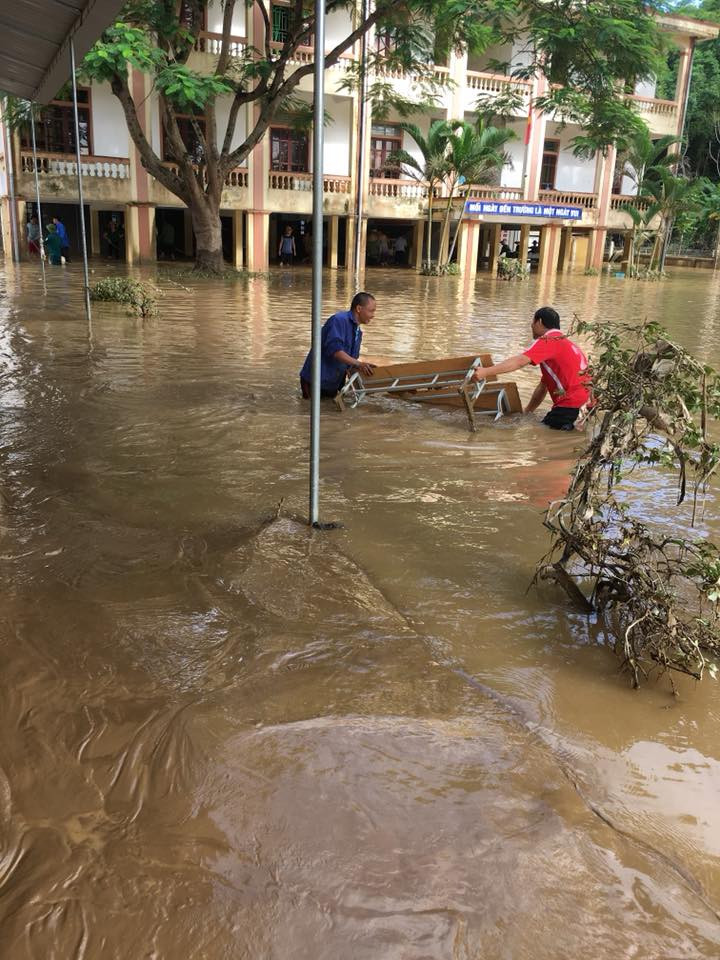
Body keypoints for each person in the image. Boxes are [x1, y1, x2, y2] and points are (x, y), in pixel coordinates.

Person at [471, 306, 591, 430]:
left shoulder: (548, 339)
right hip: (586, 406)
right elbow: (543, 388)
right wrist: (528, 411)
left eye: (532, 322)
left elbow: (520, 361)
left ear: (539, 322)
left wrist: (486, 372)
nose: (531, 326)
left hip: (570, 406)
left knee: (542, 441)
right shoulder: (566, 343)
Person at [299, 292, 377, 399]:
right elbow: (336, 351)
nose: (373, 315)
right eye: (371, 311)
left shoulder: (358, 332)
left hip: (333, 383)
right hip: (316, 380)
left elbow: (349, 361)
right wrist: (359, 364)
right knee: (313, 411)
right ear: (359, 309)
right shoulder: (339, 320)